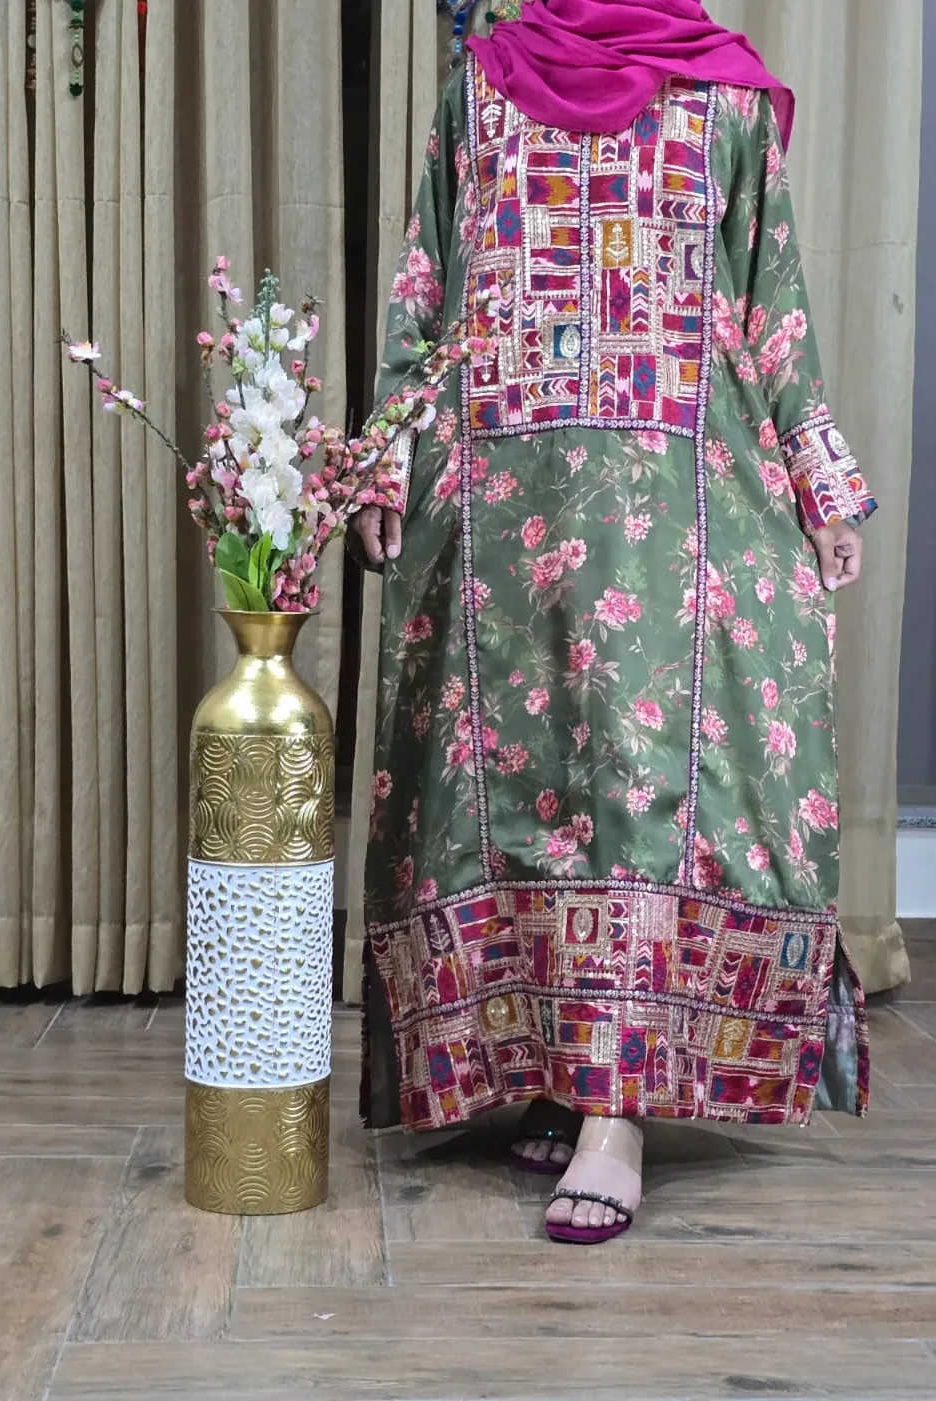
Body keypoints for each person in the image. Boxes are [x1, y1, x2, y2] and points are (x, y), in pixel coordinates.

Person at [352, 0, 873, 1246]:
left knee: (644, 785)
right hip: (499, 509)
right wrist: (382, 458)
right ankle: (549, 1069)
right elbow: (425, 285)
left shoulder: (723, 96)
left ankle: (615, 1115)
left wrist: (816, 482)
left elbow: (769, 307)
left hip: (675, 518)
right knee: (521, 788)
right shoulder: (480, 86)